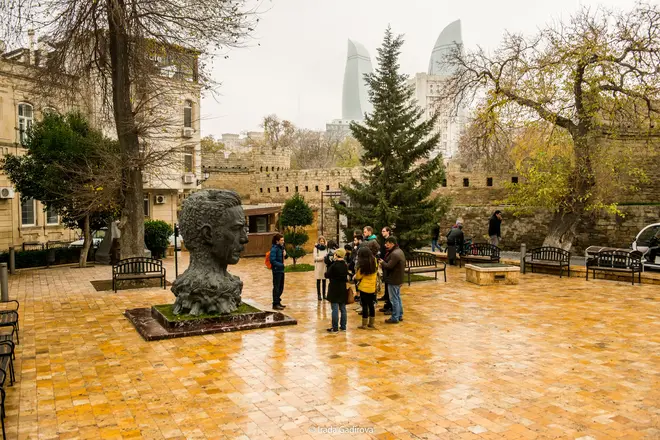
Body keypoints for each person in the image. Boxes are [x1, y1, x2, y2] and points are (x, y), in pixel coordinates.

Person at [379, 236, 405, 324]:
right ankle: (399, 315)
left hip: (393, 279)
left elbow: (389, 266)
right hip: (398, 278)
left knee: (394, 299)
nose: (386, 245)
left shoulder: (394, 254)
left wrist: (382, 262)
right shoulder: (399, 251)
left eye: (387, 244)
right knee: (397, 298)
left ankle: (395, 317)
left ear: (392, 244)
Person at [325, 248, 349, 333]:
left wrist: (329, 264)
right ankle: (343, 327)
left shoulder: (334, 265)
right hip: (342, 288)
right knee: (343, 308)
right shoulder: (345, 265)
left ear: (337, 255)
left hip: (334, 288)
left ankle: (335, 328)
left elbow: (327, 275)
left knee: (335, 308)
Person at [354, 247, 378, 330]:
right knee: (371, 305)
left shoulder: (363, 265)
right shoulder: (374, 261)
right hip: (372, 287)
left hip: (364, 288)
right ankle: (371, 323)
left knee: (364, 305)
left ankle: (364, 324)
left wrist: (355, 275)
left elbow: (358, 277)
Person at [269, 233, 288, 310]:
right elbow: (272, 260)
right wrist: (281, 265)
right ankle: (275, 304)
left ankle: (278, 301)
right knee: (276, 287)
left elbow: (285, 257)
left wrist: (285, 254)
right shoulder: (274, 249)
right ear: (277, 241)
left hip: (281, 270)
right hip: (277, 270)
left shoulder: (281, 248)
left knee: (281, 287)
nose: (283, 241)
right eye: (281, 240)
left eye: (283, 240)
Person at [379, 226, 392, 309]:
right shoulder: (384, 240)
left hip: (387, 263)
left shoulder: (390, 241)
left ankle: (388, 299)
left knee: (388, 281)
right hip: (384, 262)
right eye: (382, 231)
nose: (382, 232)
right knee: (386, 280)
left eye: (384, 231)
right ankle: (386, 295)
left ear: (388, 232)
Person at [313, 236, 328, 301]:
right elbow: (315, 257)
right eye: (321, 241)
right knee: (318, 281)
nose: (322, 242)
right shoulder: (316, 248)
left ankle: (324, 295)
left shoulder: (326, 248)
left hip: (324, 265)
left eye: (323, 241)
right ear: (318, 242)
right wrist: (323, 258)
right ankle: (319, 295)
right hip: (318, 266)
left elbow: (327, 255)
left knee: (324, 280)